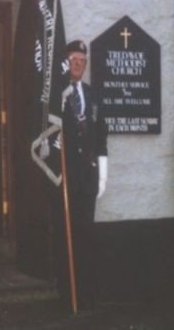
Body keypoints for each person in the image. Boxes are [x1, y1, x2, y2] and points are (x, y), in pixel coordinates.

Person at [50, 39, 108, 311]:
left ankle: (86, 292)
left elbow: (101, 136)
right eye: (73, 60)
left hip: (89, 176)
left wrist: (103, 173)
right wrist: (59, 108)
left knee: (87, 234)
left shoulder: (93, 94)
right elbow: (49, 135)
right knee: (67, 234)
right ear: (66, 63)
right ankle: (67, 292)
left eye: (82, 61)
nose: (78, 64)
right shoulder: (56, 96)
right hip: (66, 176)